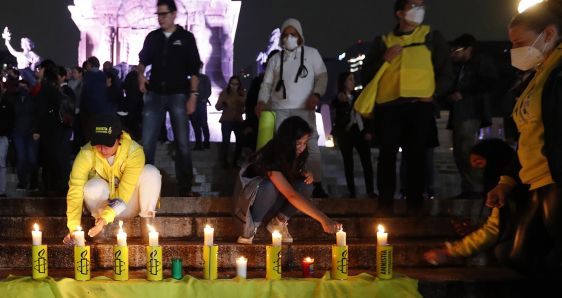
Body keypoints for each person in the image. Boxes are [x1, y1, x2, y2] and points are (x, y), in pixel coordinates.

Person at [486, 2, 562, 275]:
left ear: (549, 34)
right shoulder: (539, 75)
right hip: (536, 182)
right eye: (513, 45)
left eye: (521, 43)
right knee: (515, 254)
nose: (516, 52)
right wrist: (507, 181)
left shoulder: (557, 73)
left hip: (554, 180)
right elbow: (528, 136)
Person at [360, 0, 454, 215]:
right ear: (399, 13)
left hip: (420, 106)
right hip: (389, 107)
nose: (420, 9)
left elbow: (447, 72)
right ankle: (384, 205)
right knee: (387, 156)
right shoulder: (383, 41)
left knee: (417, 156)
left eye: (422, 5)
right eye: (414, 5)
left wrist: (434, 93)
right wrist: (384, 58)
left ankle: (415, 205)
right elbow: (366, 74)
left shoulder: (432, 37)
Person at [235, 116, 342, 244]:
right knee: (270, 186)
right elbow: (291, 195)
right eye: (298, 143)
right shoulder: (271, 154)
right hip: (250, 206)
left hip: (274, 203)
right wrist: (324, 219)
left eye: (305, 143)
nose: (302, 148)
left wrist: (302, 173)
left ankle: (278, 222)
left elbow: (291, 180)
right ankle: (251, 228)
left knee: (306, 184)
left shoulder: (296, 154)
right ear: (287, 141)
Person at [256, 18, 330, 198]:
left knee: (311, 146)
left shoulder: (312, 54)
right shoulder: (275, 58)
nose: (289, 37)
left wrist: (316, 95)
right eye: (285, 34)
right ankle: (287, 181)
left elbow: (322, 76)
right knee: (284, 147)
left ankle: (317, 184)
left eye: (293, 34)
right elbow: (266, 84)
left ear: (300, 35)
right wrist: (261, 102)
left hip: (305, 108)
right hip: (280, 109)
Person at [423, 139, 526, 266]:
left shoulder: (506, 191)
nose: (476, 170)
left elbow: (493, 230)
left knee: (502, 251)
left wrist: (450, 252)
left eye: (479, 162)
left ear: (495, 159)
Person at [62, 114, 161, 244]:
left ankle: (147, 226)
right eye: (98, 144)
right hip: (101, 208)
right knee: (92, 186)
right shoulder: (86, 153)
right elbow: (75, 190)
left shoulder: (134, 152)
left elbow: (125, 191)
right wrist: (73, 228)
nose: (102, 149)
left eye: (107, 144)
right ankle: (99, 229)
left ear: (119, 138)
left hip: (129, 204)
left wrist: (106, 218)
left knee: (151, 172)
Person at [138, 0, 201, 196]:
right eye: (158, 14)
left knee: (182, 142)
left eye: (164, 14)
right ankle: (145, 184)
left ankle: (185, 185)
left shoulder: (186, 38)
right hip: (155, 94)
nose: (160, 18)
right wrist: (140, 75)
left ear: (174, 14)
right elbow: (142, 62)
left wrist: (193, 96)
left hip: (178, 95)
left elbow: (194, 70)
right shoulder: (153, 37)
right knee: (147, 142)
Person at [447, 33, 499, 199]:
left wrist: (464, 93)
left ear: (469, 49)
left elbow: (489, 83)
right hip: (459, 113)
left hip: (471, 112)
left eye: (458, 49)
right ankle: (469, 187)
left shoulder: (480, 62)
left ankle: (475, 188)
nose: (454, 53)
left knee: (467, 150)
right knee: (459, 152)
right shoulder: (459, 66)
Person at [331, 72, 375, 198]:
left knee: (366, 161)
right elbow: (337, 115)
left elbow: (368, 114)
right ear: (344, 82)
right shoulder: (338, 99)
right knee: (348, 163)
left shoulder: (359, 96)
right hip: (346, 132)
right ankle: (352, 192)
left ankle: (370, 191)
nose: (353, 82)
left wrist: (368, 131)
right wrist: (343, 102)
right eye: (350, 79)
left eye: (353, 79)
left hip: (360, 130)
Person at [215, 76, 245, 168]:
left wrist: (242, 106)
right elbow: (217, 107)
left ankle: (235, 161)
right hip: (226, 120)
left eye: (236, 84)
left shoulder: (242, 94)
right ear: (229, 84)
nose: (234, 86)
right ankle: (224, 161)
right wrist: (224, 103)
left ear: (239, 85)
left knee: (240, 141)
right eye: (232, 84)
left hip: (238, 120)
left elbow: (244, 108)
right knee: (226, 141)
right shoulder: (224, 93)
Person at [191, 62, 211, 150]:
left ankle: (206, 142)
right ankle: (198, 143)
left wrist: (204, 98)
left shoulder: (205, 78)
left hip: (201, 104)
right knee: (195, 125)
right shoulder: (191, 77)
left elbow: (208, 90)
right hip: (193, 103)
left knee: (203, 123)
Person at [0, 82, 14, 197]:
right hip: (4, 136)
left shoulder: (7, 104)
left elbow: (10, 120)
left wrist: (7, 135)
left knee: (1, 163)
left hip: (2, 136)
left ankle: (2, 190)